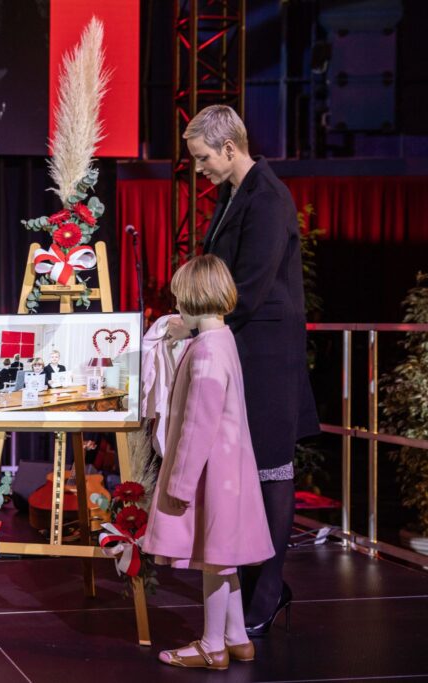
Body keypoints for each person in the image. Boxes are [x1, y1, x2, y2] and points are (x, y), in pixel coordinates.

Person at [170, 104, 320, 635]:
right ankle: (259, 584)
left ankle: (270, 590)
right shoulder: (237, 195)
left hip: (267, 362)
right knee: (253, 476)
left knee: (272, 474)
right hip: (243, 352)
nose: (199, 167)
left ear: (230, 148)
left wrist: (192, 326)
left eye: (203, 157)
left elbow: (247, 288)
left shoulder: (268, 198)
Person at [143, 255, 275, 670]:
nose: (177, 306)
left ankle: (211, 644)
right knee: (223, 556)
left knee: (213, 560)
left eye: (181, 299)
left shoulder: (205, 353)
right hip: (229, 470)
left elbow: (198, 425)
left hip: (209, 474)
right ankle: (236, 637)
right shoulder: (223, 341)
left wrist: (179, 486)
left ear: (194, 299)